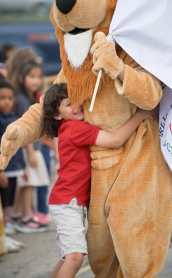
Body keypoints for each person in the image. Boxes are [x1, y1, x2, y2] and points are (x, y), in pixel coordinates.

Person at [23, 83, 153, 278]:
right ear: (57, 115)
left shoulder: (68, 127)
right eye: (68, 104)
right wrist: (140, 115)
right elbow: (115, 140)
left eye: (77, 100)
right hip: (68, 202)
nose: (76, 106)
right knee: (75, 258)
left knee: (66, 257)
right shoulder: (75, 128)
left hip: (67, 200)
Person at [12, 60, 49, 233]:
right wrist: (31, 152)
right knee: (28, 182)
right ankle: (26, 218)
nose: (36, 80)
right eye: (31, 76)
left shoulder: (30, 97)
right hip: (28, 148)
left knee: (25, 183)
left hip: (31, 147)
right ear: (21, 78)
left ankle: (17, 215)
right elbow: (24, 128)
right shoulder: (22, 100)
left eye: (38, 76)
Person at [0, 79, 24, 235]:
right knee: (3, 201)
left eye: (10, 98)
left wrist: (23, 166)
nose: (7, 102)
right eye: (2, 98)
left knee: (10, 200)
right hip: (3, 170)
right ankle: (1, 233)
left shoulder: (14, 118)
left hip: (15, 167)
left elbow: (18, 144)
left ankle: (5, 227)